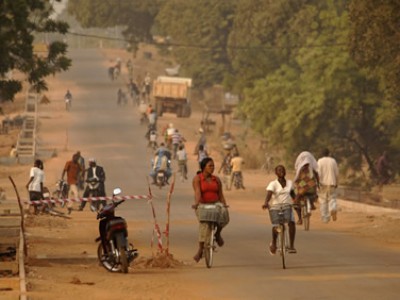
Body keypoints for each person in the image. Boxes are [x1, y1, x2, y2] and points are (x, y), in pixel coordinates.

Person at [192, 157, 229, 262]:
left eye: (213, 166)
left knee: (224, 216)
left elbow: (220, 194)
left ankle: (217, 234)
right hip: (203, 204)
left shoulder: (216, 179)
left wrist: (224, 205)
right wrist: (196, 204)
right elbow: (197, 192)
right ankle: (200, 250)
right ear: (204, 167)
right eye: (210, 166)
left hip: (215, 203)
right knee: (204, 225)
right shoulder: (197, 179)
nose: (212, 168)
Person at [262, 165, 297, 254]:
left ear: (285, 172)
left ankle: (291, 246)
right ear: (276, 173)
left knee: (292, 223)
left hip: (287, 206)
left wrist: (297, 201)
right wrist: (266, 202)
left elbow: (293, 194)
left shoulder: (289, 183)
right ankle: (274, 242)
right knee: (276, 226)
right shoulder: (273, 184)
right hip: (276, 207)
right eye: (279, 170)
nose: (281, 171)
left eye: (283, 170)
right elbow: (269, 194)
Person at [293, 151, 320, 225]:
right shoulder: (312, 168)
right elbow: (317, 176)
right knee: (313, 192)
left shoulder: (300, 168)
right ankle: (311, 204)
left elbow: (297, 179)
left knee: (296, 200)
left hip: (303, 188)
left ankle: (299, 219)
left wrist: (297, 184)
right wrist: (318, 184)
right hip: (311, 188)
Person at [318, 148, 339, 223]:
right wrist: (337, 182)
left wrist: (318, 184)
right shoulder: (333, 161)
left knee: (323, 201)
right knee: (332, 198)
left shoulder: (320, 161)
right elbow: (336, 173)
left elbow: (318, 174)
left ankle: (325, 218)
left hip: (322, 184)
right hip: (332, 183)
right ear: (328, 153)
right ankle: (333, 208)